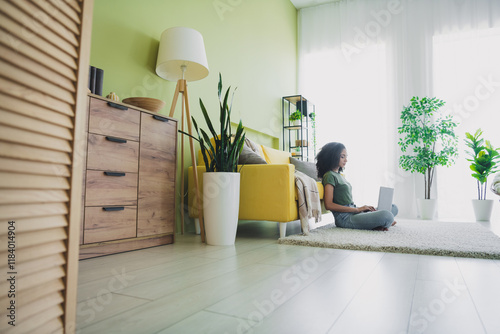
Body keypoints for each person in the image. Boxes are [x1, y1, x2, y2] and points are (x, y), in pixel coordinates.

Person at [316, 142, 398, 231]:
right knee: (387, 216)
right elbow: (329, 205)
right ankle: (382, 223)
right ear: (332, 156)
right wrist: (358, 209)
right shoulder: (329, 175)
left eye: (346, 157)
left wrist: (361, 209)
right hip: (344, 218)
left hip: (353, 211)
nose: (346, 160)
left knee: (393, 207)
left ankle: (379, 224)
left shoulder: (340, 175)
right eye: (342, 157)